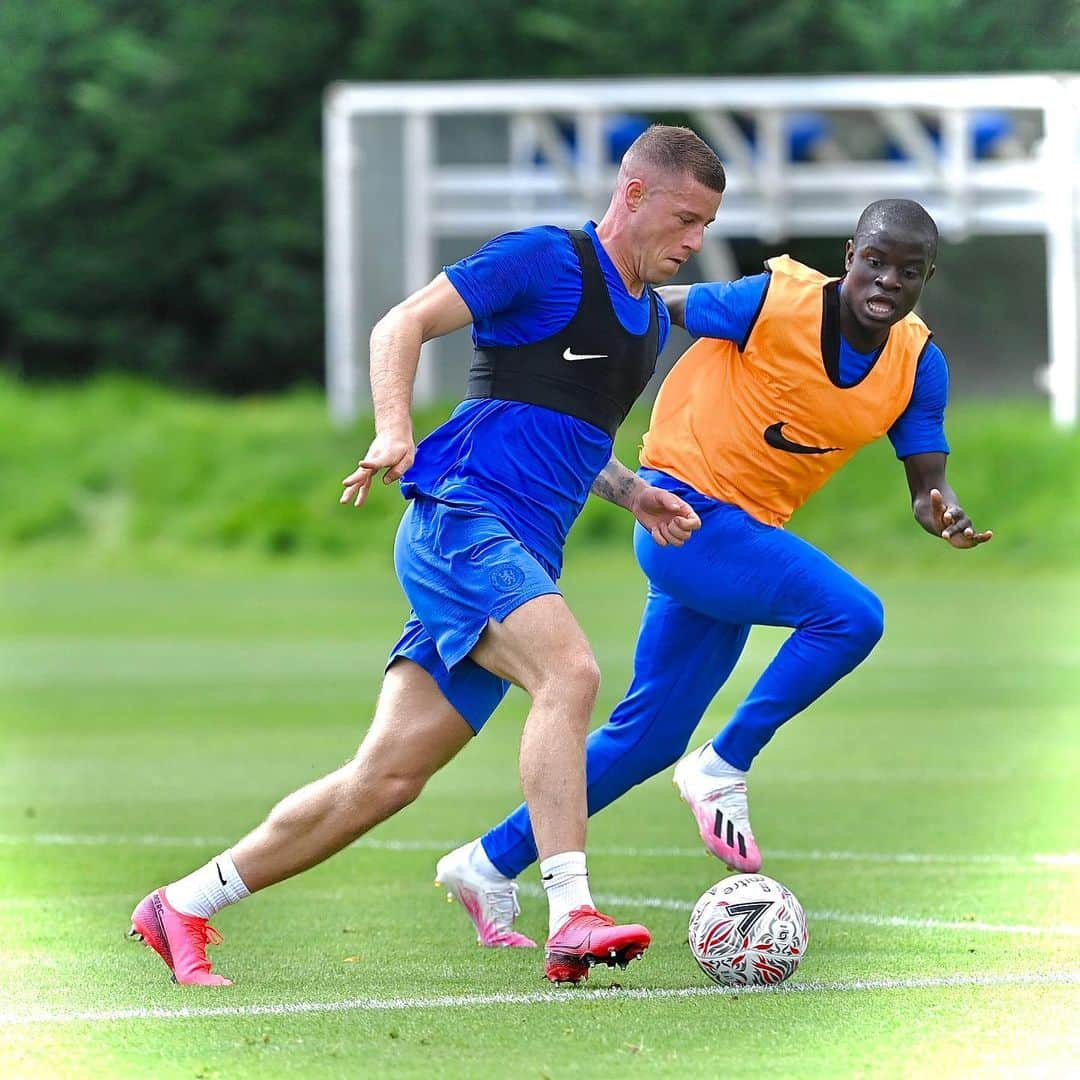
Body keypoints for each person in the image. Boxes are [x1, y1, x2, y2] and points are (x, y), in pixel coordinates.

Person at [128, 124, 726, 986]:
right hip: (460, 517)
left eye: (707, 224)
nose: (695, 241)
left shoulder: (641, 322)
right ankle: (573, 914)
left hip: (516, 550)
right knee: (572, 674)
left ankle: (182, 904)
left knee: (386, 780)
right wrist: (394, 427)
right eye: (685, 218)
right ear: (633, 194)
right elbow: (399, 324)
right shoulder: (545, 258)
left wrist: (633, 493)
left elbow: (564, 429)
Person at [436, 198, 992, 949]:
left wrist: (943, 510)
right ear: (851, 252)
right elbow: (649, 310)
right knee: (851, 616)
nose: (887, 280)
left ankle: (484, 863)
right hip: (684, 515)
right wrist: (559, 361)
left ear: (928, 276)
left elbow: (928, 480)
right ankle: (724, 763)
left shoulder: (919, 362)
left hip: (739, 541)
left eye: (908, 270)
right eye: (875, 259)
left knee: (646, 738)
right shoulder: (776, 301)